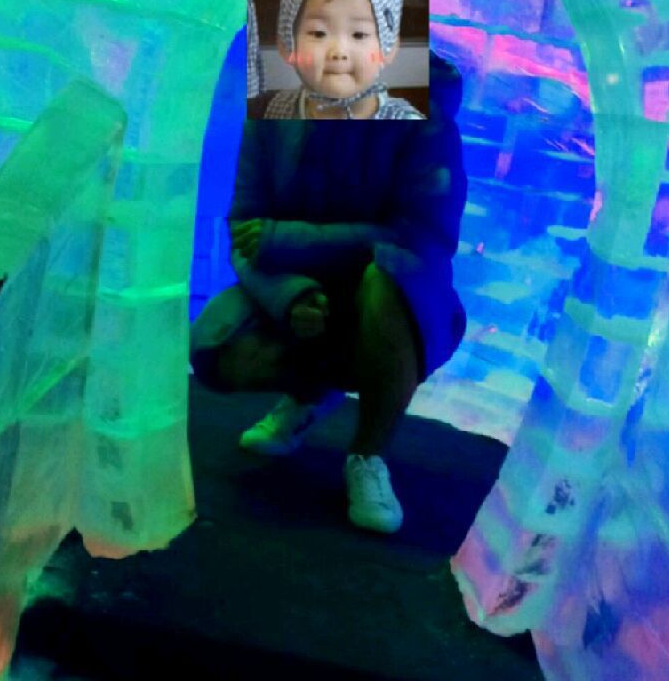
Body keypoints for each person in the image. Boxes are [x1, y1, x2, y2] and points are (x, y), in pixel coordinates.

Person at [190, 49, 467, 534]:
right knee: (216, 346)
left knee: (388, 283)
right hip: (304, 287)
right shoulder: (276, 94)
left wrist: (287, 241)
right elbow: (245, 226)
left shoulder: (422, 107)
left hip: (395, 300)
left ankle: (368, 455)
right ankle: (309, 395)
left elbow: (420, 238)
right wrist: (290, 296)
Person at [250, 0, 426, 120]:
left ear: (389, 48)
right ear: (286, 45)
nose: (339, 52)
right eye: (319, 34)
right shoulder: (269, 111)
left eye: (359, 35)